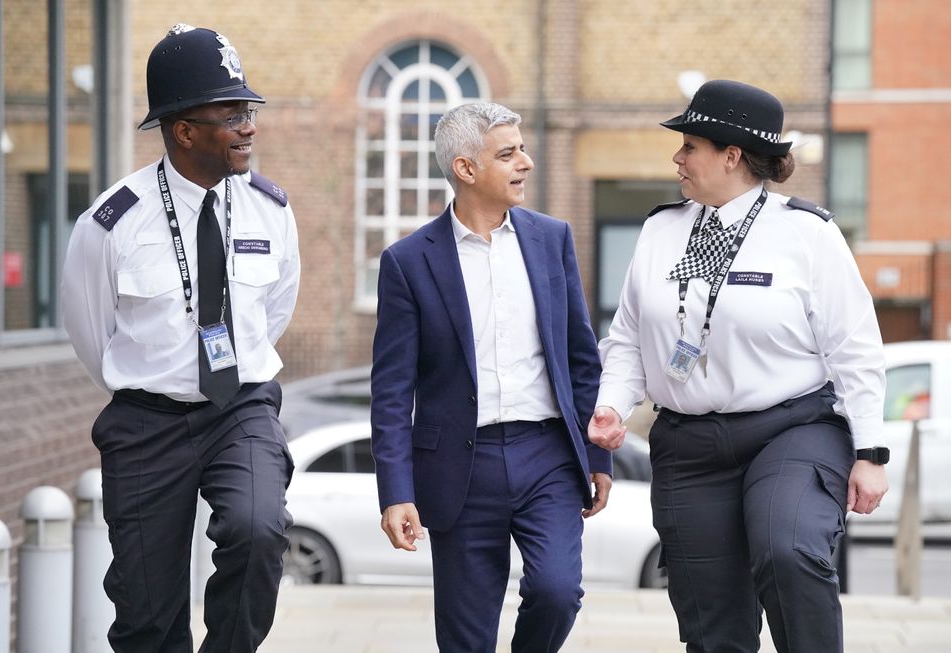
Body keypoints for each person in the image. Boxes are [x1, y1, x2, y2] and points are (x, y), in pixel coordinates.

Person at [589, 79, 889, 653]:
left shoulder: (806, 233)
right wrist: (612, 405)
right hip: (688, 445)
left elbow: (855, 349)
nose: (677, 157)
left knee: (789, 549)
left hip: (791, 430)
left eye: (690, 146)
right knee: (711, 620)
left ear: (731, 155)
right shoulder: (660, 231)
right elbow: (628, 338)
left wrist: (870, 453)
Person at [62, 24, 300, 653]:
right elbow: (92, 334)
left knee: (258, 529)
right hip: (147, 424)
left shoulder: (271, 211)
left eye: (248, 110)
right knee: (145, 616)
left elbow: (273, 312)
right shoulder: (110, 223)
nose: (248, 125)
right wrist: (156, 378)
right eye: (230, 113)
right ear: (184, 129)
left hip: (241, 409)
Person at [370, 102, 612, 652]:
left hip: (547, 453)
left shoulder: (552, 239)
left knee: (557, 590)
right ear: (465, 168)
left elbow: (580, 357)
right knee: (466, 634)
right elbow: (391, 391)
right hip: (461, 463)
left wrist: (597, 455)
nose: (525, 162)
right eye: (508, 154)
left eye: (522, 149)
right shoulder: (408, 262)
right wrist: (395, 492)